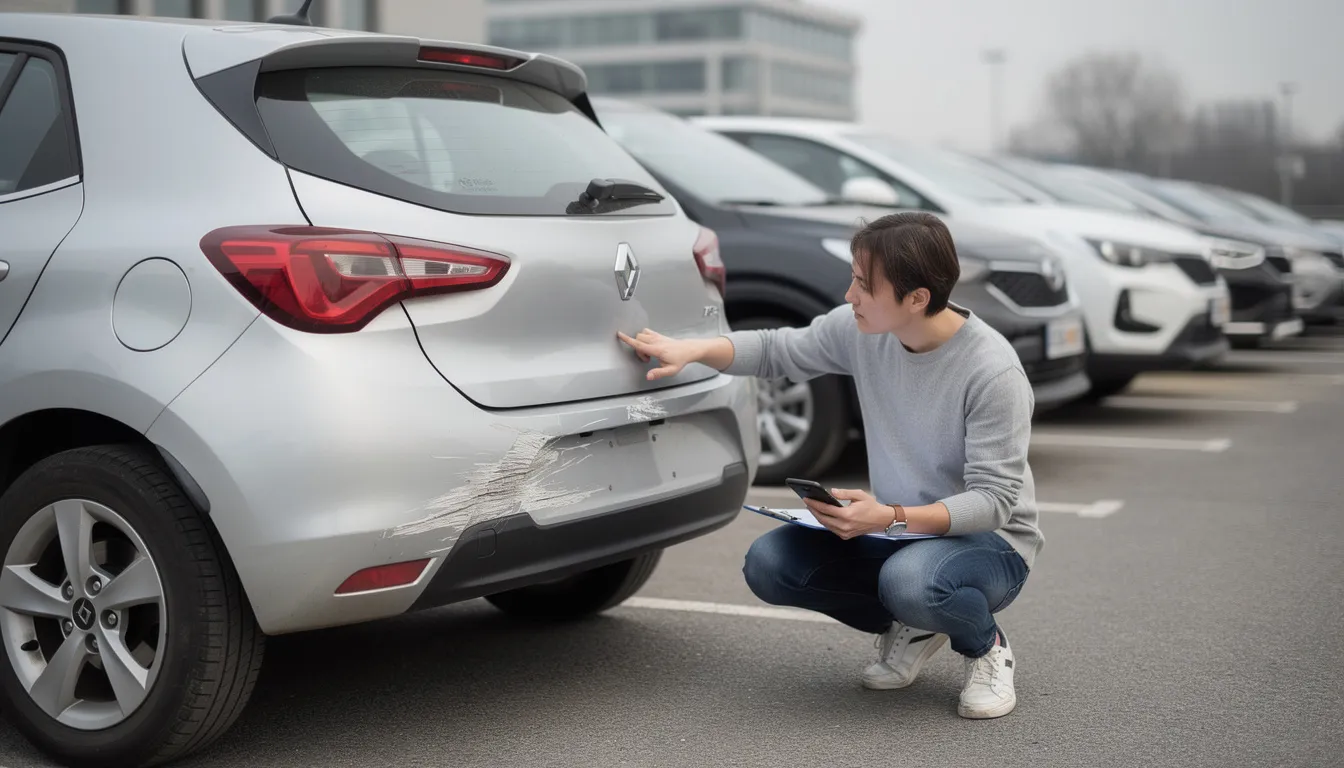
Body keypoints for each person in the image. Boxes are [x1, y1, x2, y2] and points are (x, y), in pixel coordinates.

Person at [617, 211, 1041, 720]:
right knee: (772, 564)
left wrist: (888, 517)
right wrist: (694, 349)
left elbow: (994, 502)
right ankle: (915, 623)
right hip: (899, 532)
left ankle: (984, 646)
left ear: (917, 299)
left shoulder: (992, 371)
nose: (849, 295)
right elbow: (779, 349)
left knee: (911, 583)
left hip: (990, 544)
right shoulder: (863, 329)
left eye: (864, 284)